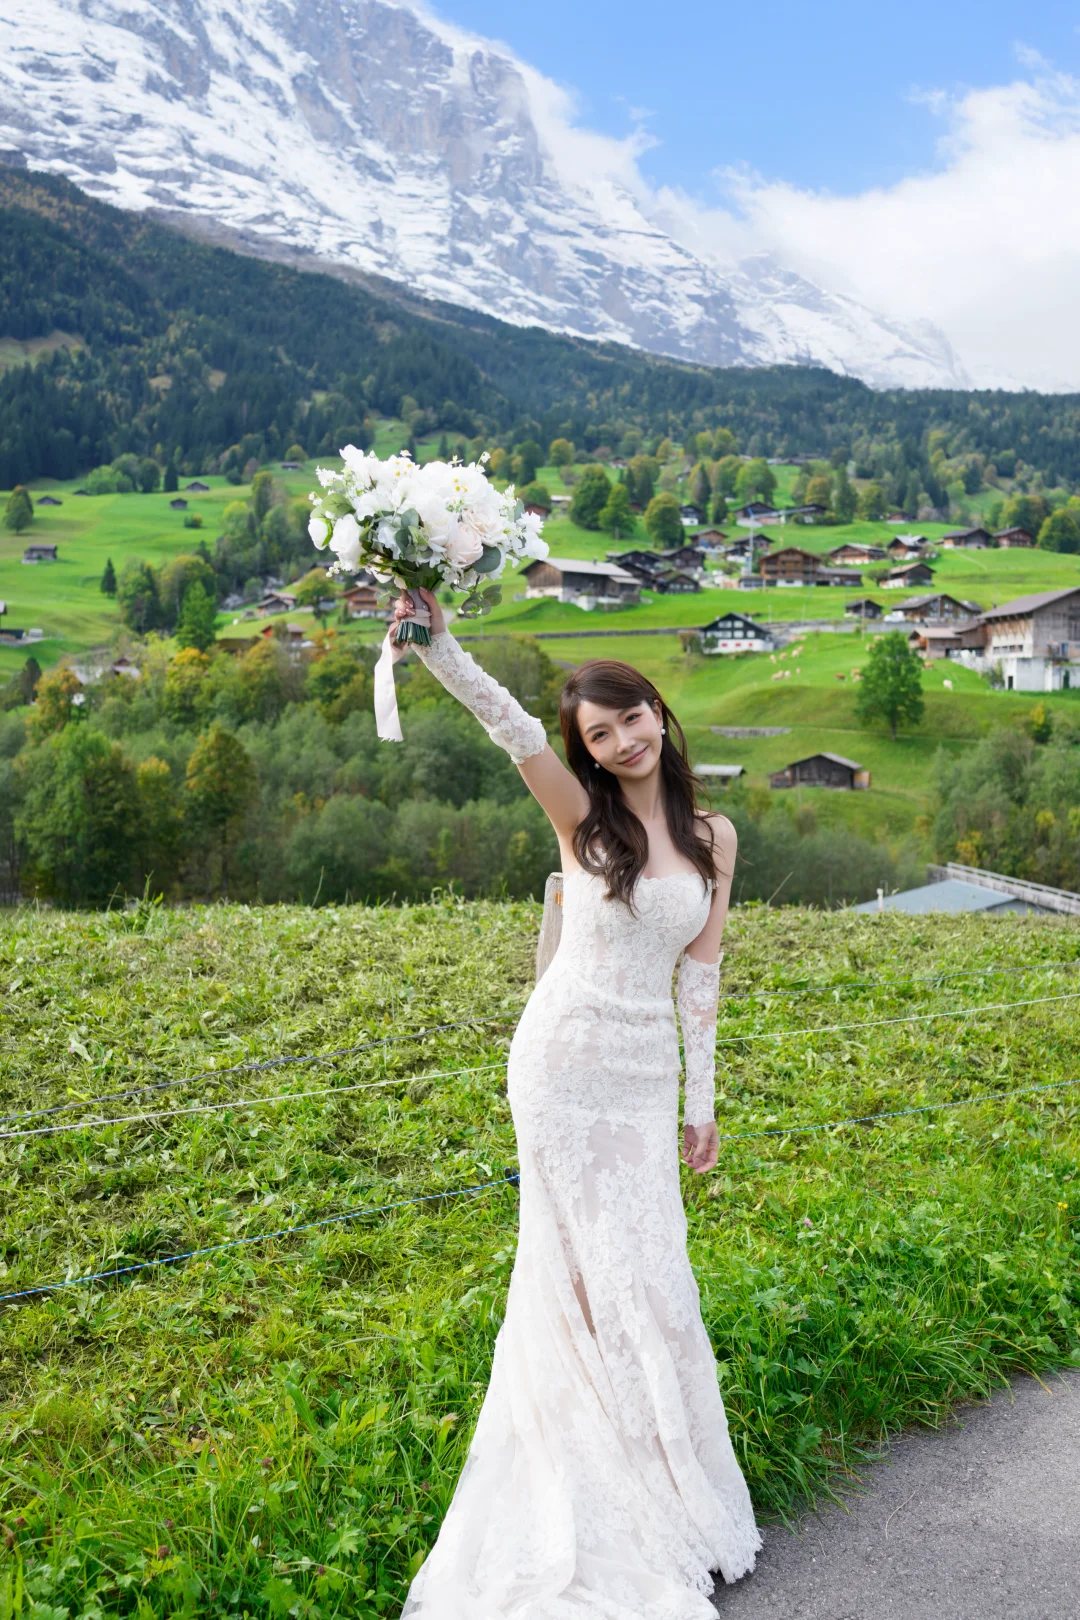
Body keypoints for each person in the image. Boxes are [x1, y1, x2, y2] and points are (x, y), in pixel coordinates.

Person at [395, 589, 760, 1619]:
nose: (623, 740)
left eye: (631, 717)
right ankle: (594, 1488)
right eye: (599, 734)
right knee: (579, 1277)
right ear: (587, 751)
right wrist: (438, 645)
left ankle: (665, 1484)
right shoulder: (580, 819)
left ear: (658, 713)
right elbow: (508, 723)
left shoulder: (716, 836)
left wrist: (702, 1101)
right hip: (560, 1066)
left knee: (652, 1272)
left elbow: (701, 976)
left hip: (645, 1079)